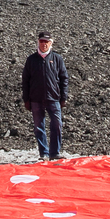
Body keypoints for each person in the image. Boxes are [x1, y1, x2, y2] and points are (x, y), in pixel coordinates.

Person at [21, 33, 69, 161]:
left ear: (51, 43)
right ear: (38, 42)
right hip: (36, 99)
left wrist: (63, 97)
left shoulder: (57, 59)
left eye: (46, 41)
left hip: (53, 98)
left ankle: (54, 153)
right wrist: (26, 99)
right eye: (42, 41)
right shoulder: (31, 59)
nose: (44, 43)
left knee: (57, 125)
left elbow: (64, 78)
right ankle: (44, 153)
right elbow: (25, 80)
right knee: (38, 126)